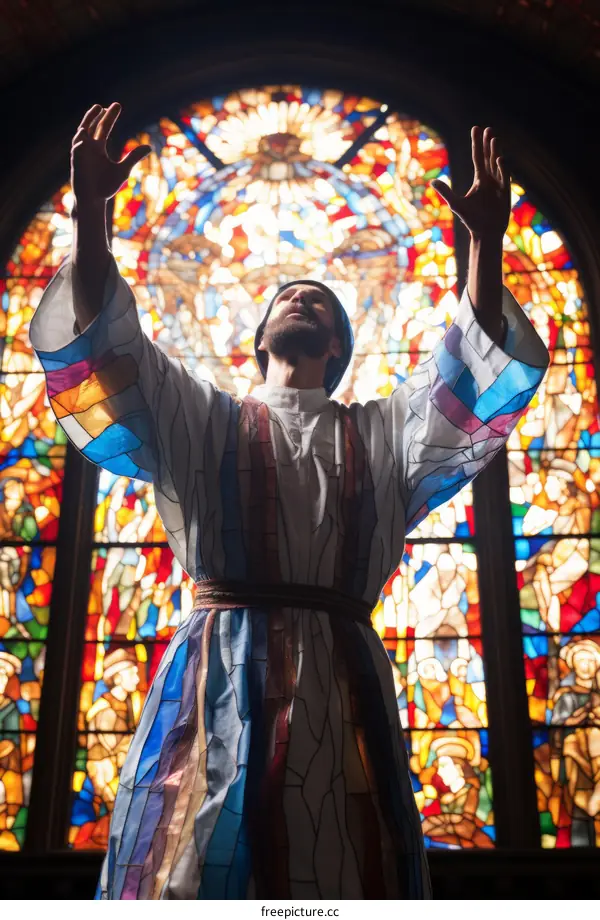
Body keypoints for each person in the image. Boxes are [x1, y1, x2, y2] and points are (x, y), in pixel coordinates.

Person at [30, 102, 549, 900]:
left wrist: (483, 244)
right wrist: (92, 218)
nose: (302, 301)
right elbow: (109, 348)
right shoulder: (202, 419)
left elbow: (469, 373)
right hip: (218, 678)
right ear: (259, 337)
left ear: (339, 347)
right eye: (288, 297)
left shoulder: (382, 436)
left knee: (341, 864)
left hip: (341, 681)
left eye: (321, 302)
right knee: (193, 859)